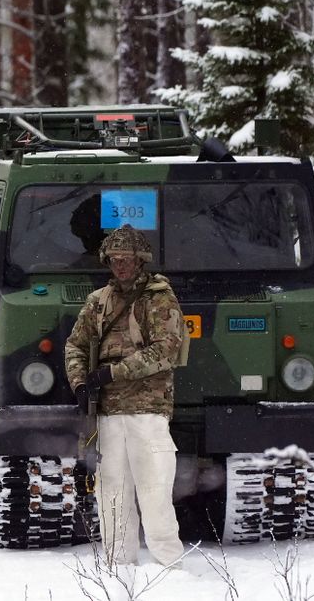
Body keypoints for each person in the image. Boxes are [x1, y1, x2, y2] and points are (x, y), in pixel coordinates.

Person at [63, 224, 186, 567]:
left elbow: (167, 349)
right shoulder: (98, 302)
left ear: (140, 260)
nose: (120, 265)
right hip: (107, 412)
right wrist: (80, 383)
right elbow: (75, 345)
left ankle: (170, 570)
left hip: (147, 409)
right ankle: (118, 568)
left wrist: (113, 372)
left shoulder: (158, 297)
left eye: (127, 259)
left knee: (155, 493)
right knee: (111, 496)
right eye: (114, 259)